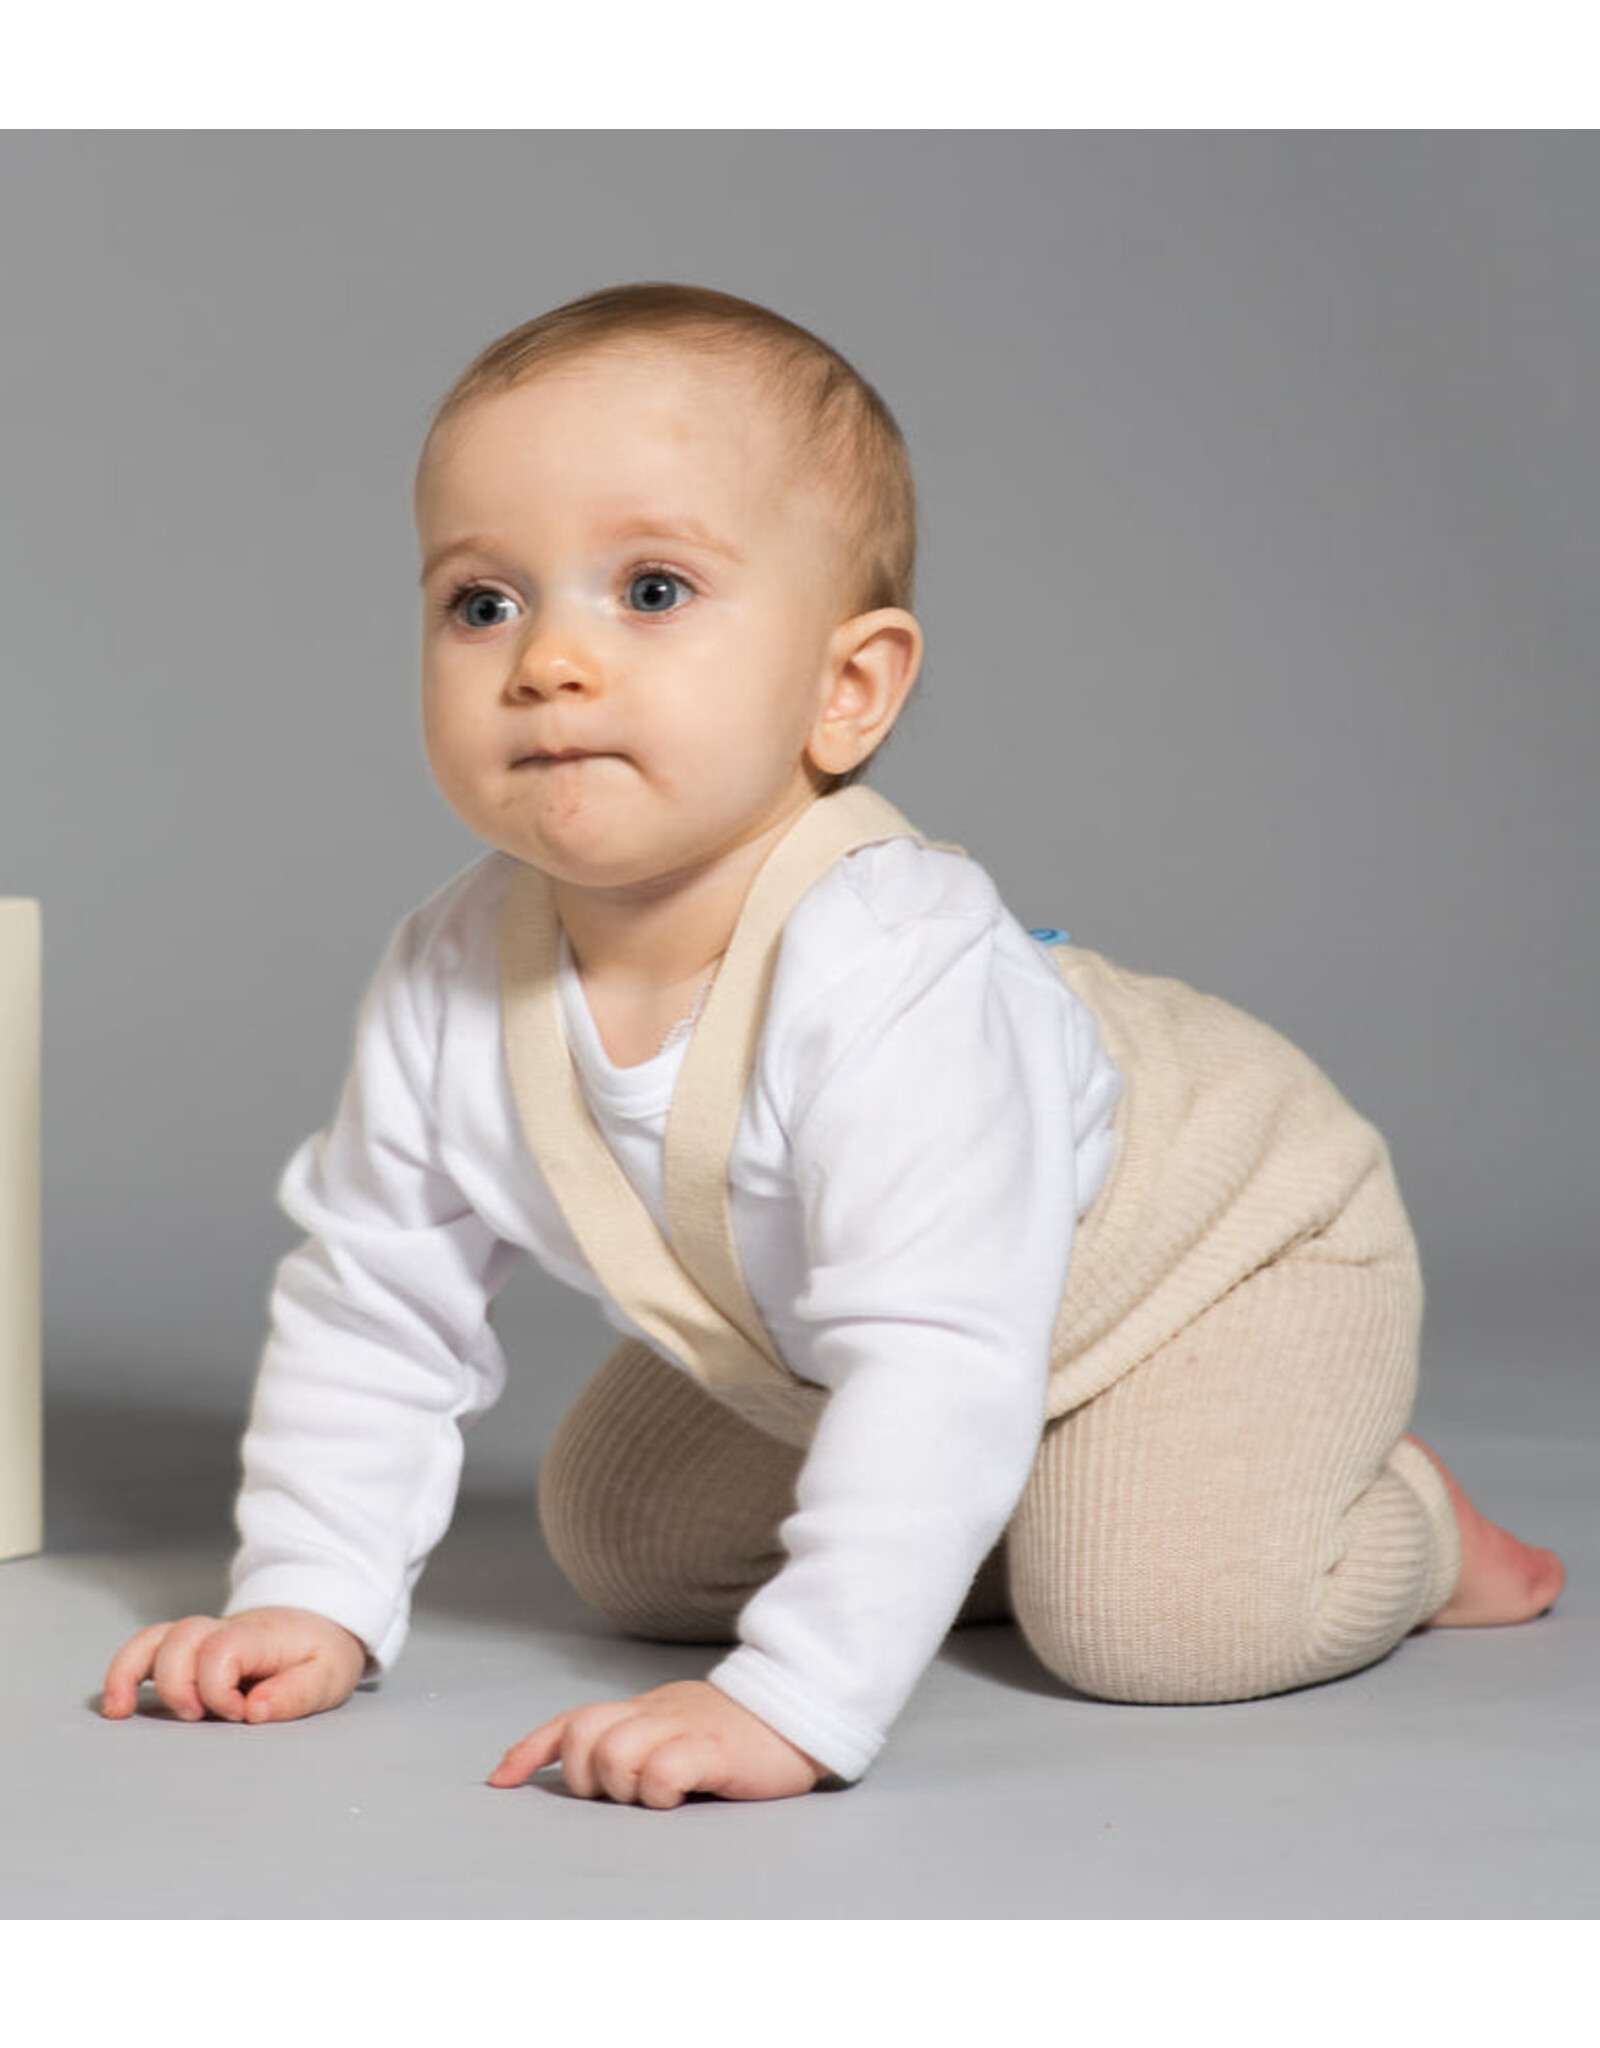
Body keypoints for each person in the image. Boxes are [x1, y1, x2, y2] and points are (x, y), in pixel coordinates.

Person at [100, 283, 1564, 1807]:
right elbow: (374, 1306)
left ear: (845, 689)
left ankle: (1410, 1522)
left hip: (1218, 1257)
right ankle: (1021, 1494)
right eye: (484, 601)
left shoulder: (891, 968)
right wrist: (311, 1592)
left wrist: (793, 1702)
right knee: (627, 1539)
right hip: (880, 1329)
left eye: (651, 590)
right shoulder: (448, 971)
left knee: (1151, 1625)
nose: (546, 661)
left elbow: (934, 1353)